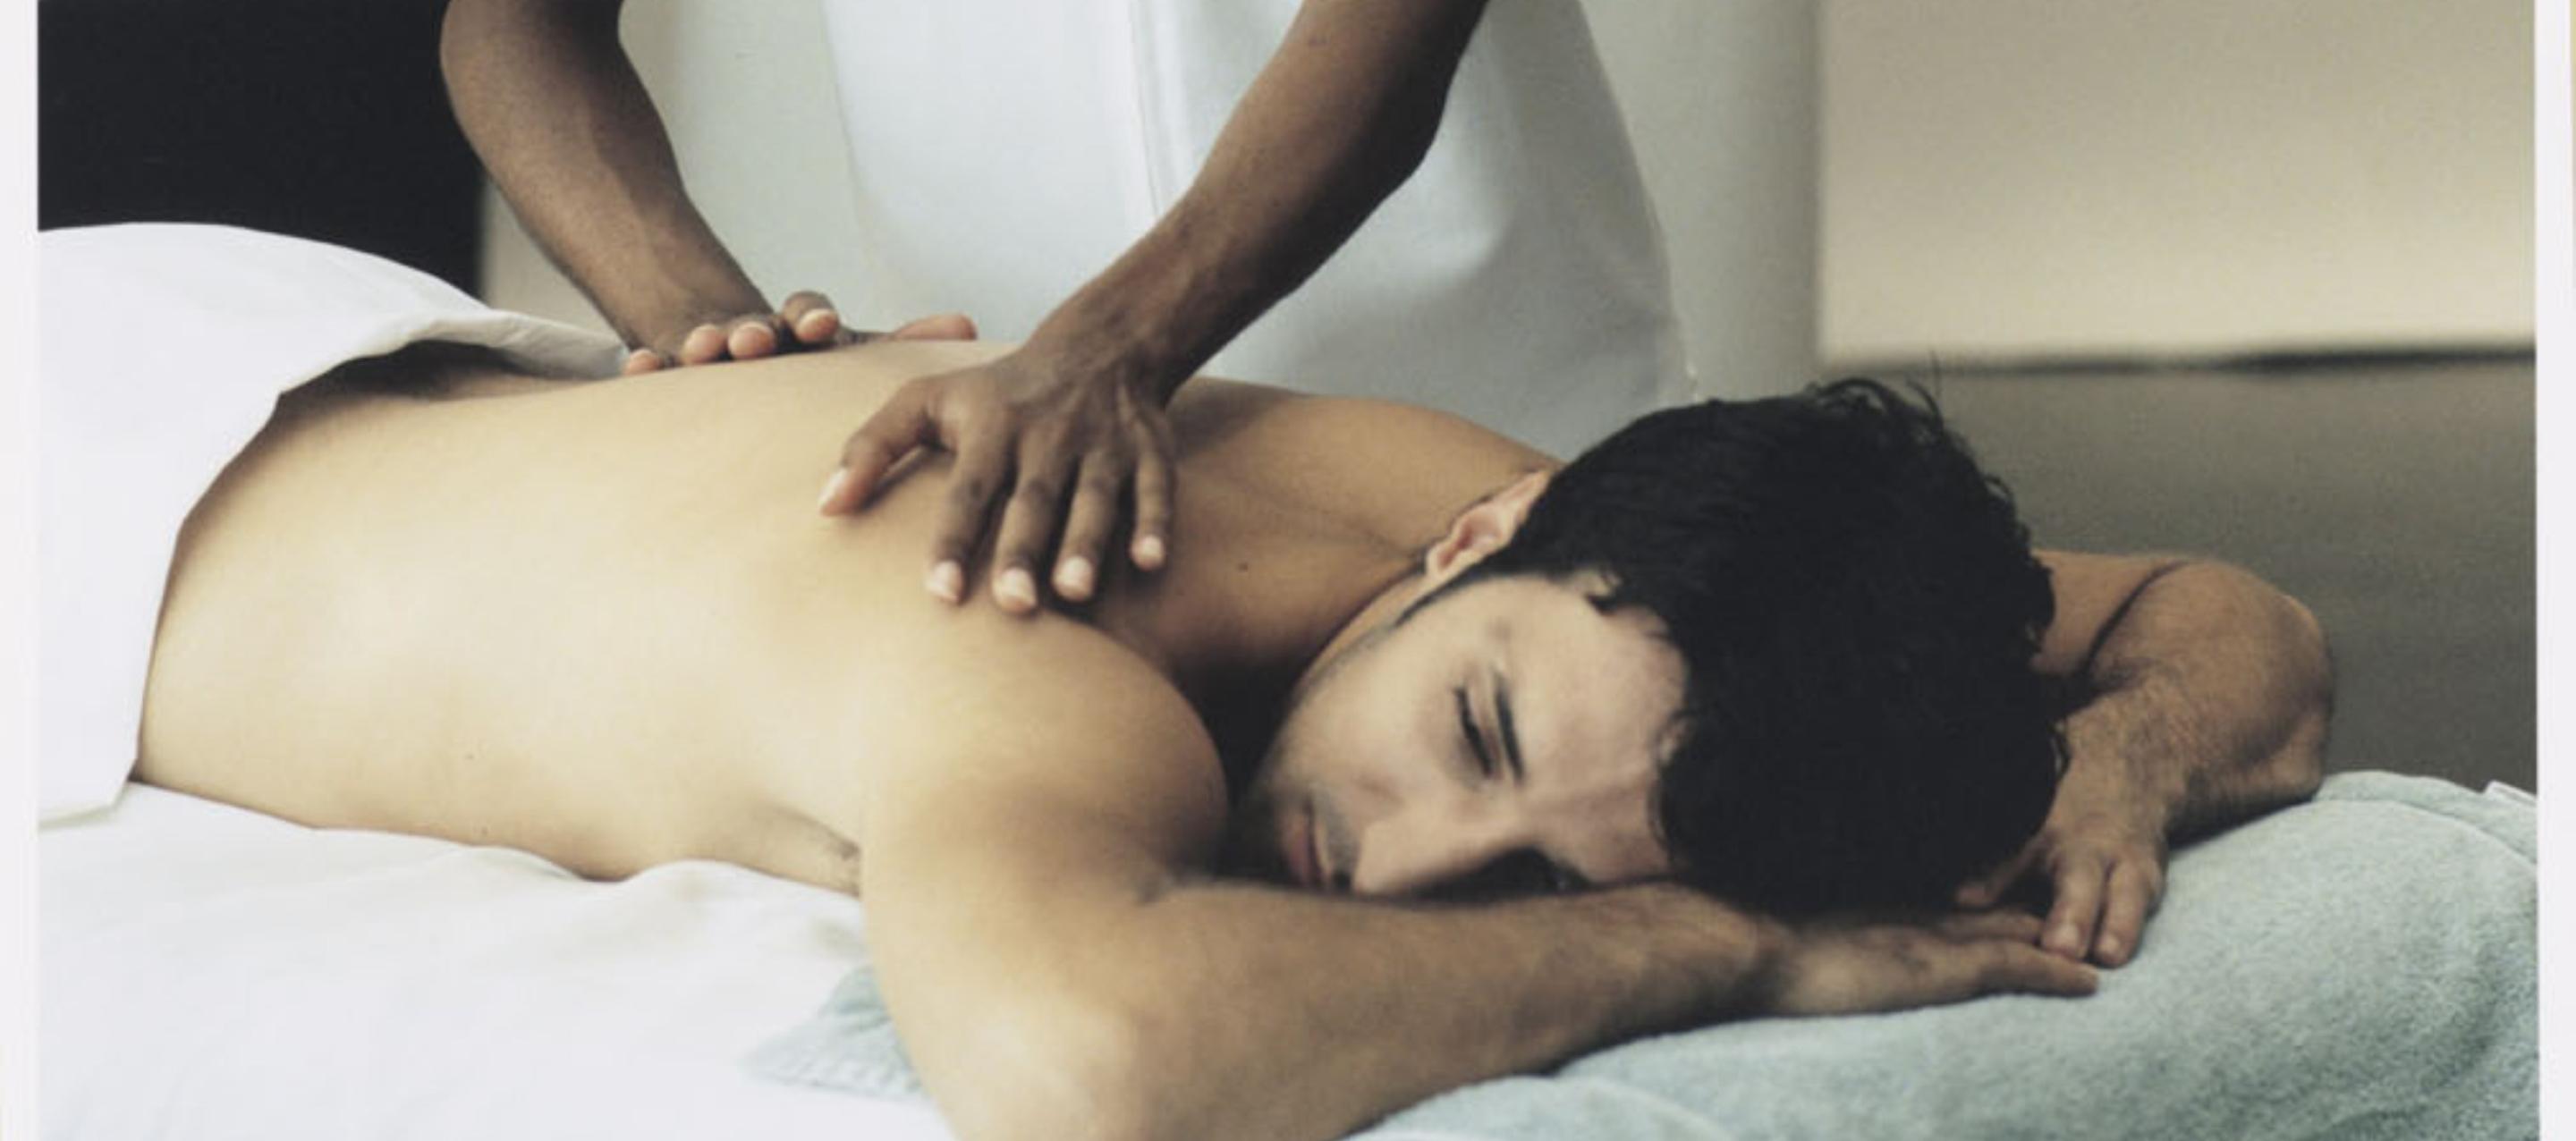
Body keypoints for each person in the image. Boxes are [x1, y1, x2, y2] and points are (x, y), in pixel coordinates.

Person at [137, 334, 2331, 1141]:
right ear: (1482, 533)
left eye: (1543, 873)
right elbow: (1089, 1061)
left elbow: (2239, 619)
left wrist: (2120, 758)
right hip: (99, 491)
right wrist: (1709, 947)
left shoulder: (1590, 566)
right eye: (1472, 732)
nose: (1406, 863)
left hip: (383, 388)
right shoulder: (1036, 637)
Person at [441, 0, 1690, 620]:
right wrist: (707, 325)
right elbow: (512, 24)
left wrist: (1112, 347)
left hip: (1493, 428)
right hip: (1034, 498)